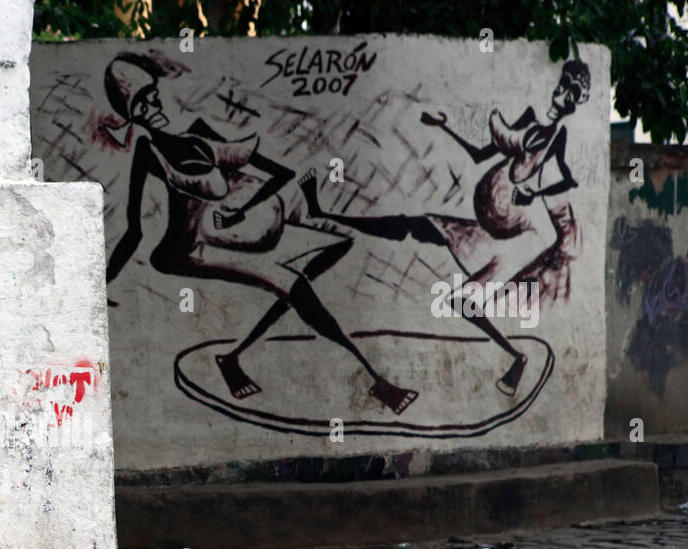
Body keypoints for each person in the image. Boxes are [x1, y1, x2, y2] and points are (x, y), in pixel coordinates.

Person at [102, 52, 418, 415]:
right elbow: (133, 229)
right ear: (130, 113)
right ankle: (377, 382)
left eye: (153, 93)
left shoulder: (200, 133)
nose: (153, 103)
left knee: (335, 245)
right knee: (292, 284)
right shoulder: (148, 150)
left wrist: (242, 208)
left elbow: (279, 174)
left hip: (226, 235)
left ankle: (232, 356)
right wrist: (103, 282)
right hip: (184, 251)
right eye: (140, 102)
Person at [298, 59, 590, 396]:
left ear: (577, 103)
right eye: (564, 83)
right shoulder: (528, 126)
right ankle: (325, 214)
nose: (564, 93)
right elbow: (482, 154)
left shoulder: (554, 143)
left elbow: (564, 182)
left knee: (461, 302)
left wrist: (535, 190)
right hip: (487, 231)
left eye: (574, 92)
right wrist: (444, 126)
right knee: (414, 226)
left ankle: (517, 359)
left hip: (516, 241)